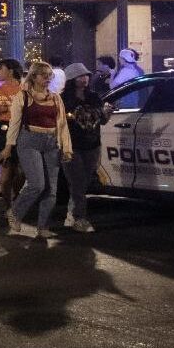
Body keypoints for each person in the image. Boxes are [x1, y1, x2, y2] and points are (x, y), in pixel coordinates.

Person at [0, 60, 73, 240]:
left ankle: (43, 227)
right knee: (37, 184)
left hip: (51, 142)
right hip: (29, 140)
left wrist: (67, 148)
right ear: (34, 76)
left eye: (50, 76)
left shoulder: (56, 98)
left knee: (52, 189)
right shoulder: (23, 96)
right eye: (44, 75)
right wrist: (9, 146)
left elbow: (62, 125)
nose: (47, 79)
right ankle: (15, 212)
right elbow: (14, 123)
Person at [56, 62, 107, 234]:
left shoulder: (94, 97)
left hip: (92, 145)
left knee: (83, 183)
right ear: (71, 79)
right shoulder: (63, 100)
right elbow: (57, 123)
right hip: (71, 146)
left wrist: (107, 113)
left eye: (86, 75)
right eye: (80, 76)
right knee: (77, 182)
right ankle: (80, 218)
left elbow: (103, 120)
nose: (84, 79)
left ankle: (72, 214)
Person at [0, 58, 25, 212]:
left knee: (22, 171)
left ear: (11, 71)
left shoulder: (25, 90)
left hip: (22, 130)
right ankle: (8, 207)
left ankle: (16, 198)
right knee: (7, 171)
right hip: (3, 130)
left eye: (0, 68)